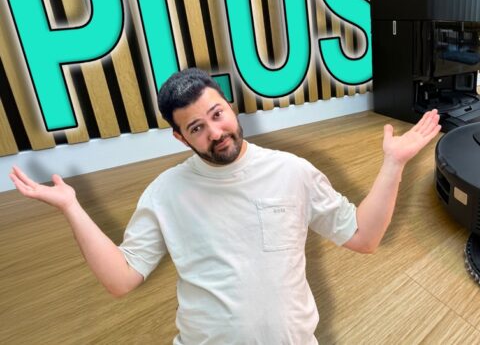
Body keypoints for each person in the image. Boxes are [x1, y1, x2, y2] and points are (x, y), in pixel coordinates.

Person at [9, 68, 441, 344]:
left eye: (217, 114)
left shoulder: (292, 171)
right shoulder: (165, 193)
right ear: (180, 137)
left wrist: (393, 164)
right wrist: (72, 207)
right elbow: (121, 279)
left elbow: (363, 238)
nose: (215, 132)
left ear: (230, 108)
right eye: (197, 127)